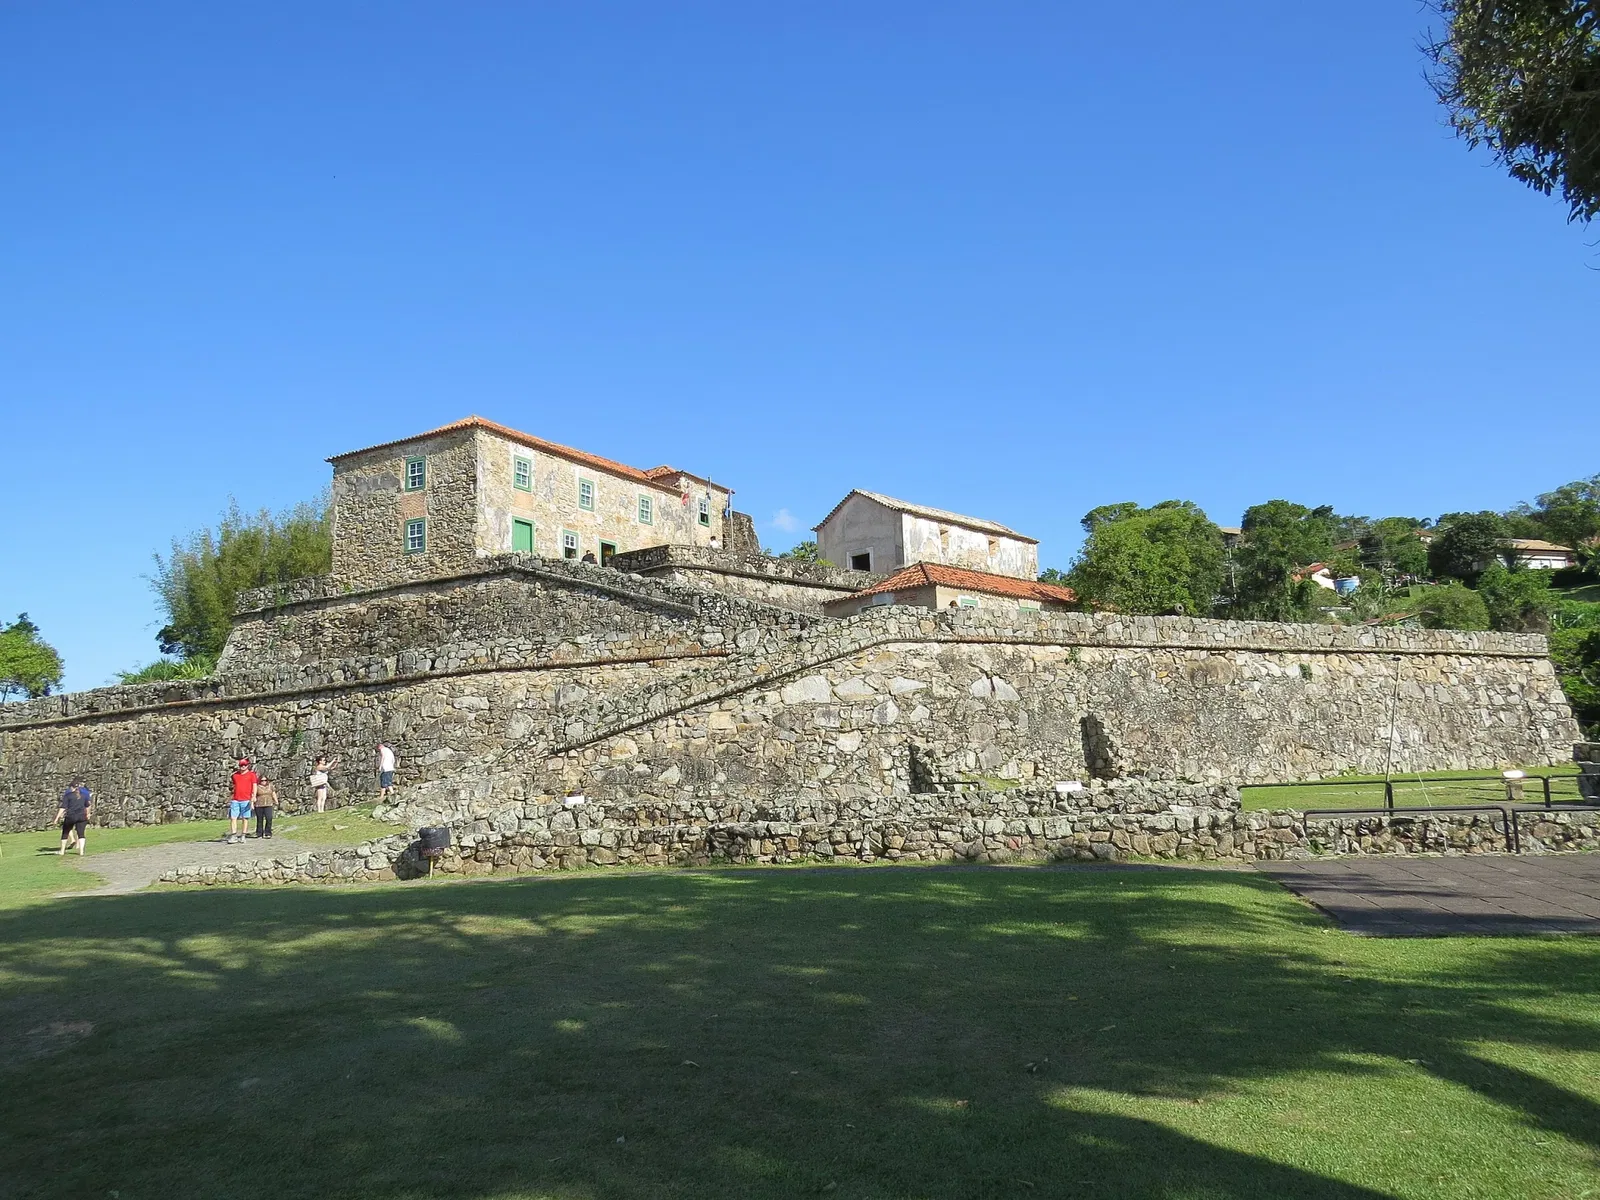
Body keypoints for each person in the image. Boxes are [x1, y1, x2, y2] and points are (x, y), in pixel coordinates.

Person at [54, 777, 92, 856]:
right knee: (81, 834)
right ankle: (81, 852)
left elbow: (63, 808)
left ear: (71, 787)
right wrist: (88, 814)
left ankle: (62, 851)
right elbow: (88, 806)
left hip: (71, 816)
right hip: (82, 817)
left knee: (65, 832)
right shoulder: (83, 795)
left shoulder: (68, 796)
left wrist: (57, 817)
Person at [228, 758, 258, 845]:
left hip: (246, 799)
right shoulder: (235, 775)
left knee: (245, 818)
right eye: (241, 765)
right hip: (235, 799)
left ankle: (243, 835)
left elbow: (254, 785)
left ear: (247, 765)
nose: (243, 767)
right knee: (233, 818)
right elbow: (233, 786)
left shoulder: (252, 775)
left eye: (244, 765)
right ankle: (234, 835)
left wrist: (254, 796)